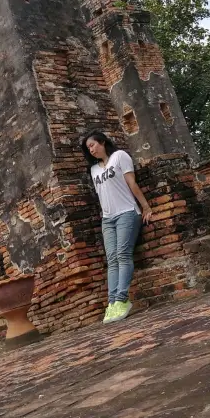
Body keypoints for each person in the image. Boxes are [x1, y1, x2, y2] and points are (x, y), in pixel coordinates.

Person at [81, 130, 152, 324]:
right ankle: (112, 302)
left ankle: (122, 299)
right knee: (111, 259)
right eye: (88, 148)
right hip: (108, 219)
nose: (91, 149)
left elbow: (131, 183)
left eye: (93, 145)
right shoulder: (94, 170)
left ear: (103, 142)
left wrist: (145, 206)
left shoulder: (120, 156)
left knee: (122, 254)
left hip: (127, 213)